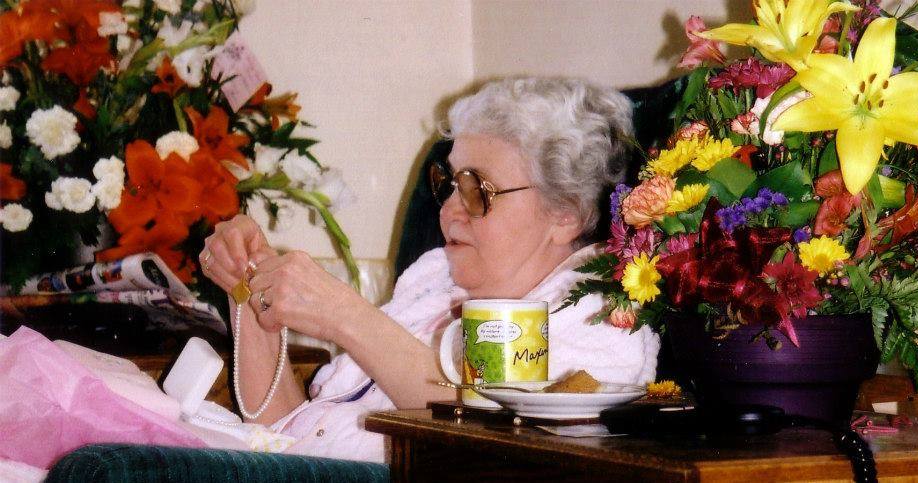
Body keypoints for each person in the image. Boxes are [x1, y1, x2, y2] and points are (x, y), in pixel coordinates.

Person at [199, 77, 660, 463]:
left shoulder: (603, 312)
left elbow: (501, 443)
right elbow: (282, 427)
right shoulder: (434, 277)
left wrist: (345, 315)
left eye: (478, 190)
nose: (448, 212)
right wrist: (247, 285)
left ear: (566, 213)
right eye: (448, 184)